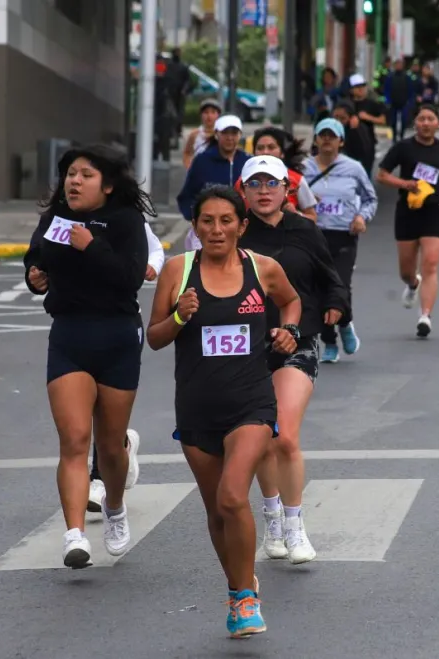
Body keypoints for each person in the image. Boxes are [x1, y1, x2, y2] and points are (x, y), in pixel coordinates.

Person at [146, 185, 301, 638]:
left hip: (251, 402)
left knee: (234, 496)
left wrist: (288, 330)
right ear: (195, 227)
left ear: (242, 225)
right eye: (208, 221)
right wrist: (179, 316)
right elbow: (154, 337)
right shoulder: (179, 270)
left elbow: (291, 301)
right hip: (197, 407)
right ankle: (239, 585)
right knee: (217, 509)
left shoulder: (263, 269)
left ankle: (244, 599)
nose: (217, 229)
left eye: (226, 221)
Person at [22, 145, 150, 568]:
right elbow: (36, 263)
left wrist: (91, 245)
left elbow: (130, 278)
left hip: (116, 337)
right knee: (74, 440)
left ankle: (113, 506)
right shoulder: (54, 219)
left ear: (108, 185)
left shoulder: (126, 221)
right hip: (70, 335)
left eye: (85, 175)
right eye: (70, 174)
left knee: (110, 446)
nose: (74, 182)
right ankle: (74, 534)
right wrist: (35, 278)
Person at [236, 156, 350, 566]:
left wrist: (338, 304)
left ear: (287, 189)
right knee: (261, 439)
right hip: (245, 347)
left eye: (272, 183)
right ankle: (271, 516)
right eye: (256, 183)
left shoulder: (304, 230)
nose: (264, 190)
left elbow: (328, 275)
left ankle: (295, 523)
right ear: (243, 191)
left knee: (283, 434)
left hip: (298, 342)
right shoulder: (234, 233)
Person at [86, 221, 165, 512]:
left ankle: (98, 478)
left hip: (122, 324)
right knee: (84, 406)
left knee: (103, 408)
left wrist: (152, 267)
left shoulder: (125, 217)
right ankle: (122, 447)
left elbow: (155, 249)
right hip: (76, 325)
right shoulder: (64, 217)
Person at [376, 103, 439, 338]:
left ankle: (425, 316)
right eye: (422, 119)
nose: (426, 123)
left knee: (431, 264)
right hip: (408, 211)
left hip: (435, 211)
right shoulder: (403, 148)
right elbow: (382, 175)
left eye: (431, 119)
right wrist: (405, 185)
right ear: (415, 123)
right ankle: (412, 284)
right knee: (406, 270)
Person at [303, 119, 377, 362]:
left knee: (340, 285)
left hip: (343, 235)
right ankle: (329, 342)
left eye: (332, 136)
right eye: (322, 135)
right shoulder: (304, 169)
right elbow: (288, 198)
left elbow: (370, 199)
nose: (326, 140)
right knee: (318, 290)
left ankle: (344, 324)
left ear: (341, 141)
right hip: (313, 236)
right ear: (315, 139)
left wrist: (361, 217)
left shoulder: (353, 168)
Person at [178, 115, 251, 249]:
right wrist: (197, 218)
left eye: (234, 133)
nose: (230, 137)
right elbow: (188, 193)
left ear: (240, 135)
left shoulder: (248, 162)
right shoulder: (202, 161)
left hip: (241, 231)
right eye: (225, 133)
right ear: (217, 134)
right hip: (208, 230)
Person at [236, 127, 318, 221]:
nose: (265, 152)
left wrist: (296, 214)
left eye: (271, 147)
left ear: (282, 152)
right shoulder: (243, 181)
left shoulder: (297, 179)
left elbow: (313, 218)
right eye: (260, 148)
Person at [183, 99, 221, 169]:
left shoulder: (222, 134)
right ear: (201, 115)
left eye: (213, 112)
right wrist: (190, 169)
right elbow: (187, 153)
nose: (209, 116)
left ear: (218, 114)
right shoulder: (194, 134)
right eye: (206, 112)